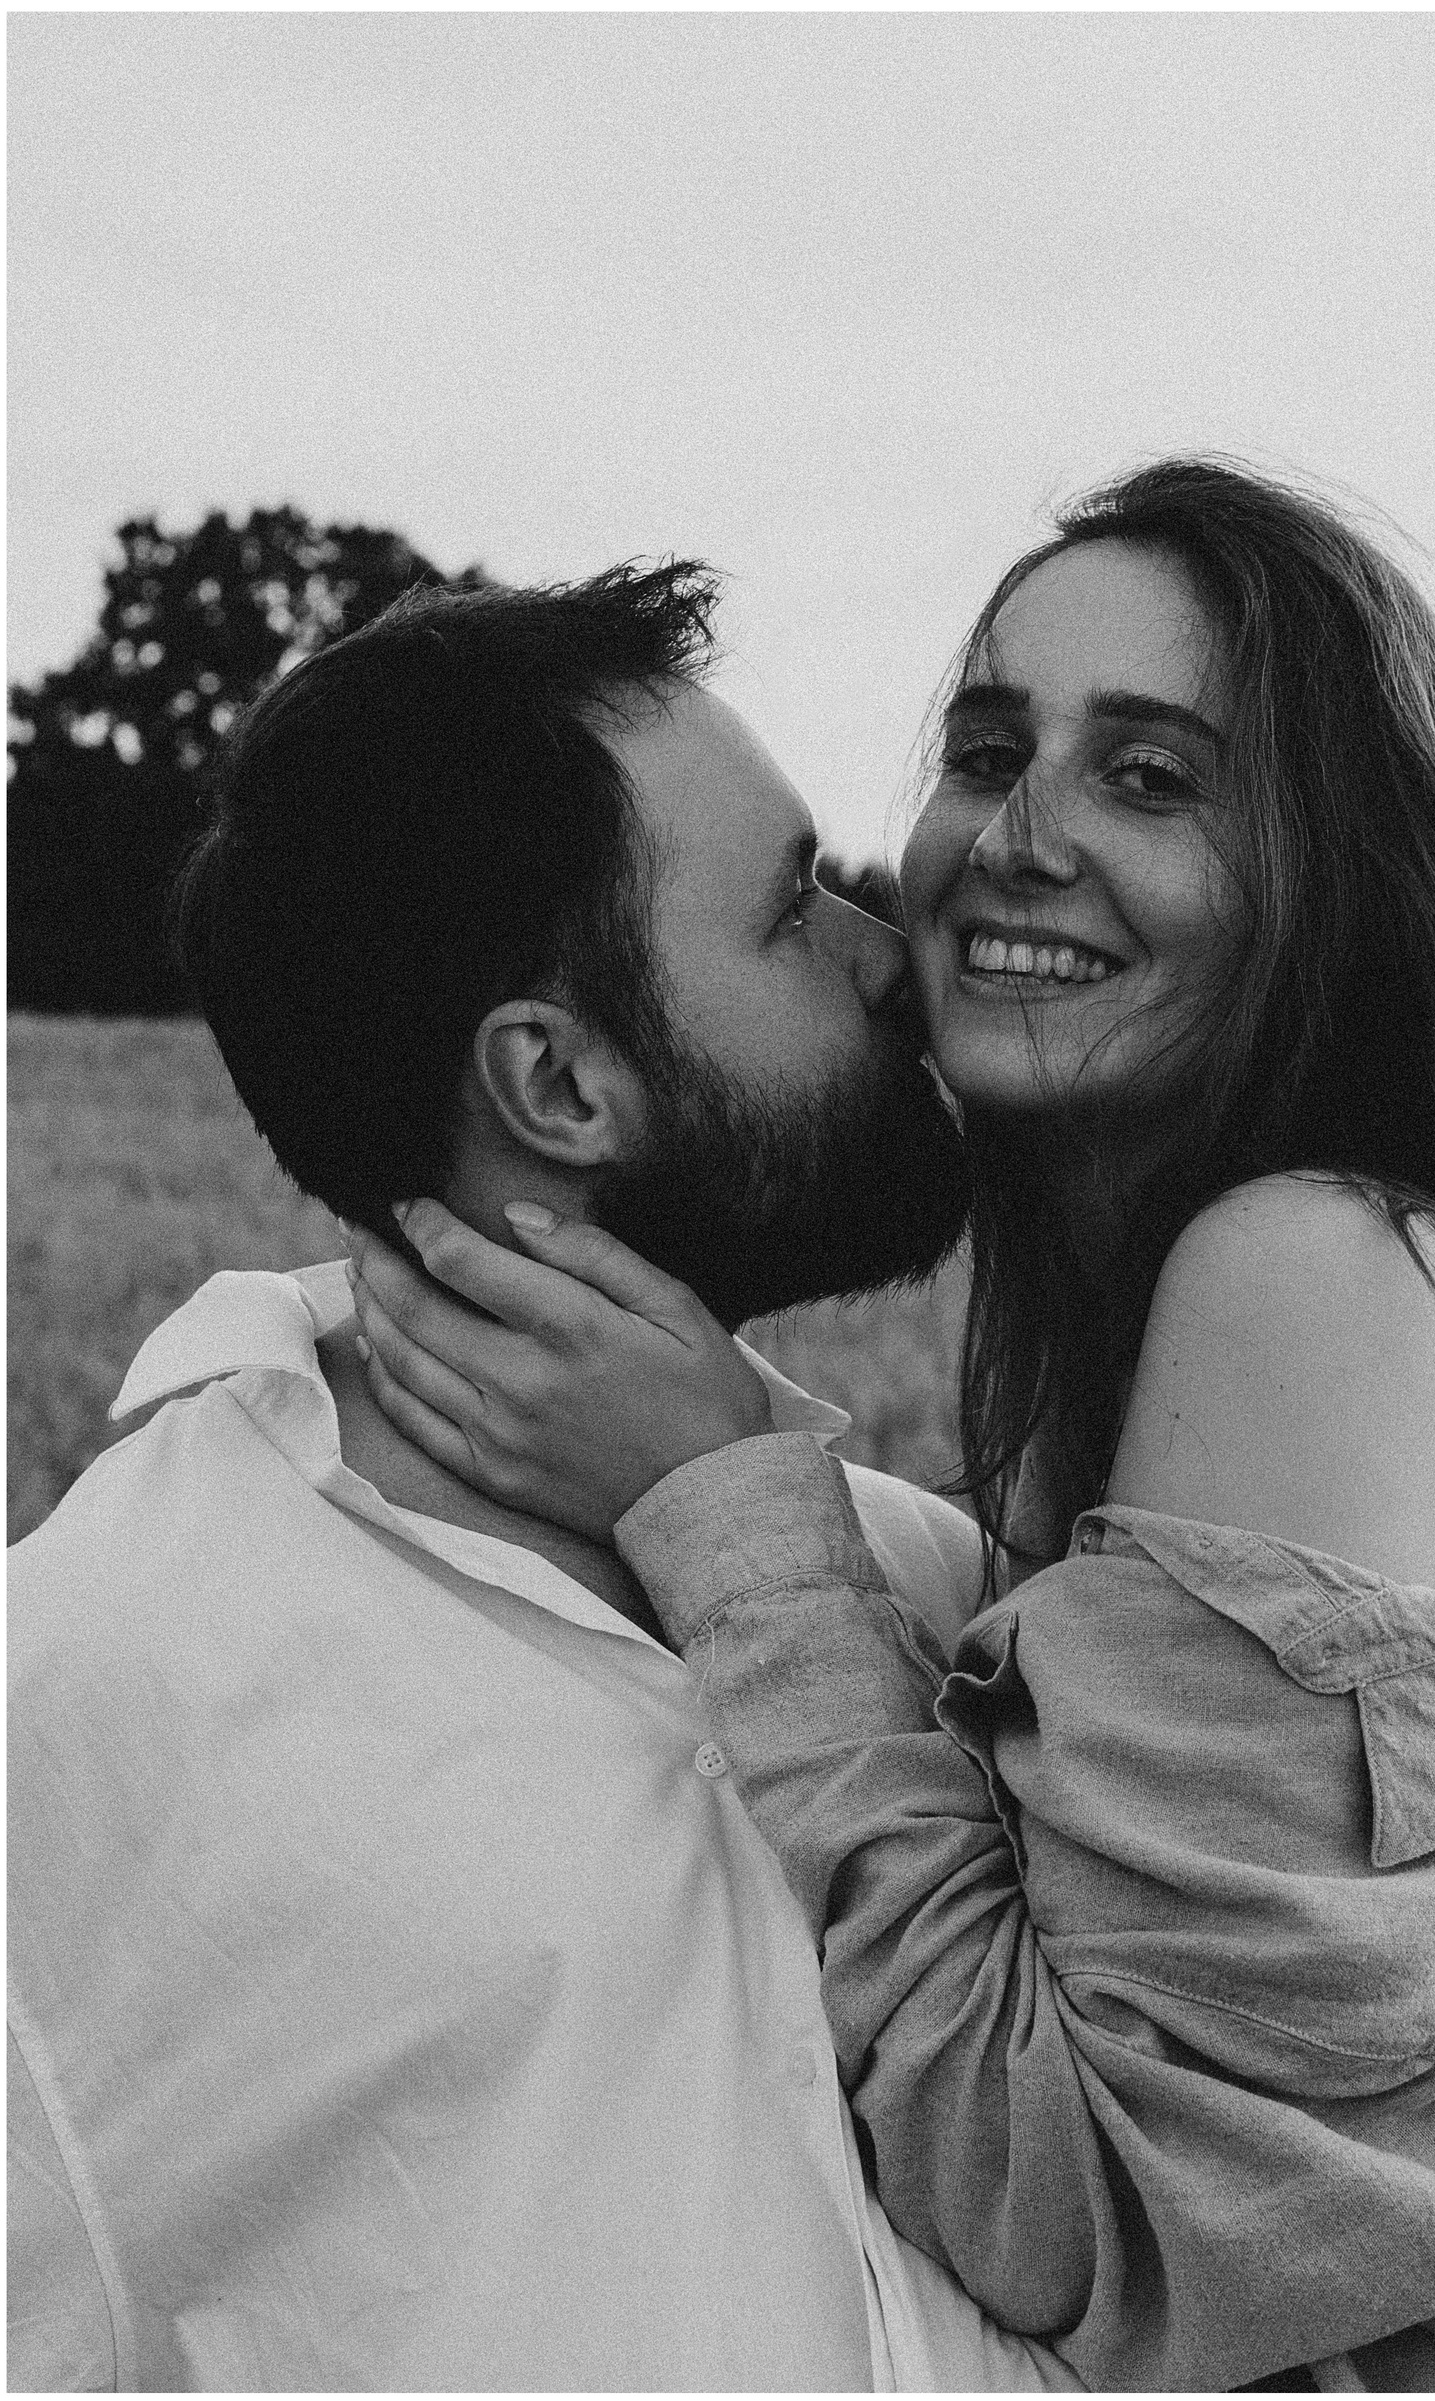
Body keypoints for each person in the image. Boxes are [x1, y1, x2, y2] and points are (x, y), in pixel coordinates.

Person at [346, 463, 1435, 2391]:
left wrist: (718, 1502)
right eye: (990, 751)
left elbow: (1076, 2210)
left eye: (1149, 778)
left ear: (1340, 888)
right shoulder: (1205, 1310)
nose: (1012, 837)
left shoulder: (1307, 1279)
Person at [7, 565, 1081, 2391]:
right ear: (560, 1085)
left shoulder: (934, 1593)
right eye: (789, 908)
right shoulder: (87, 1695)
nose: (889, 955)